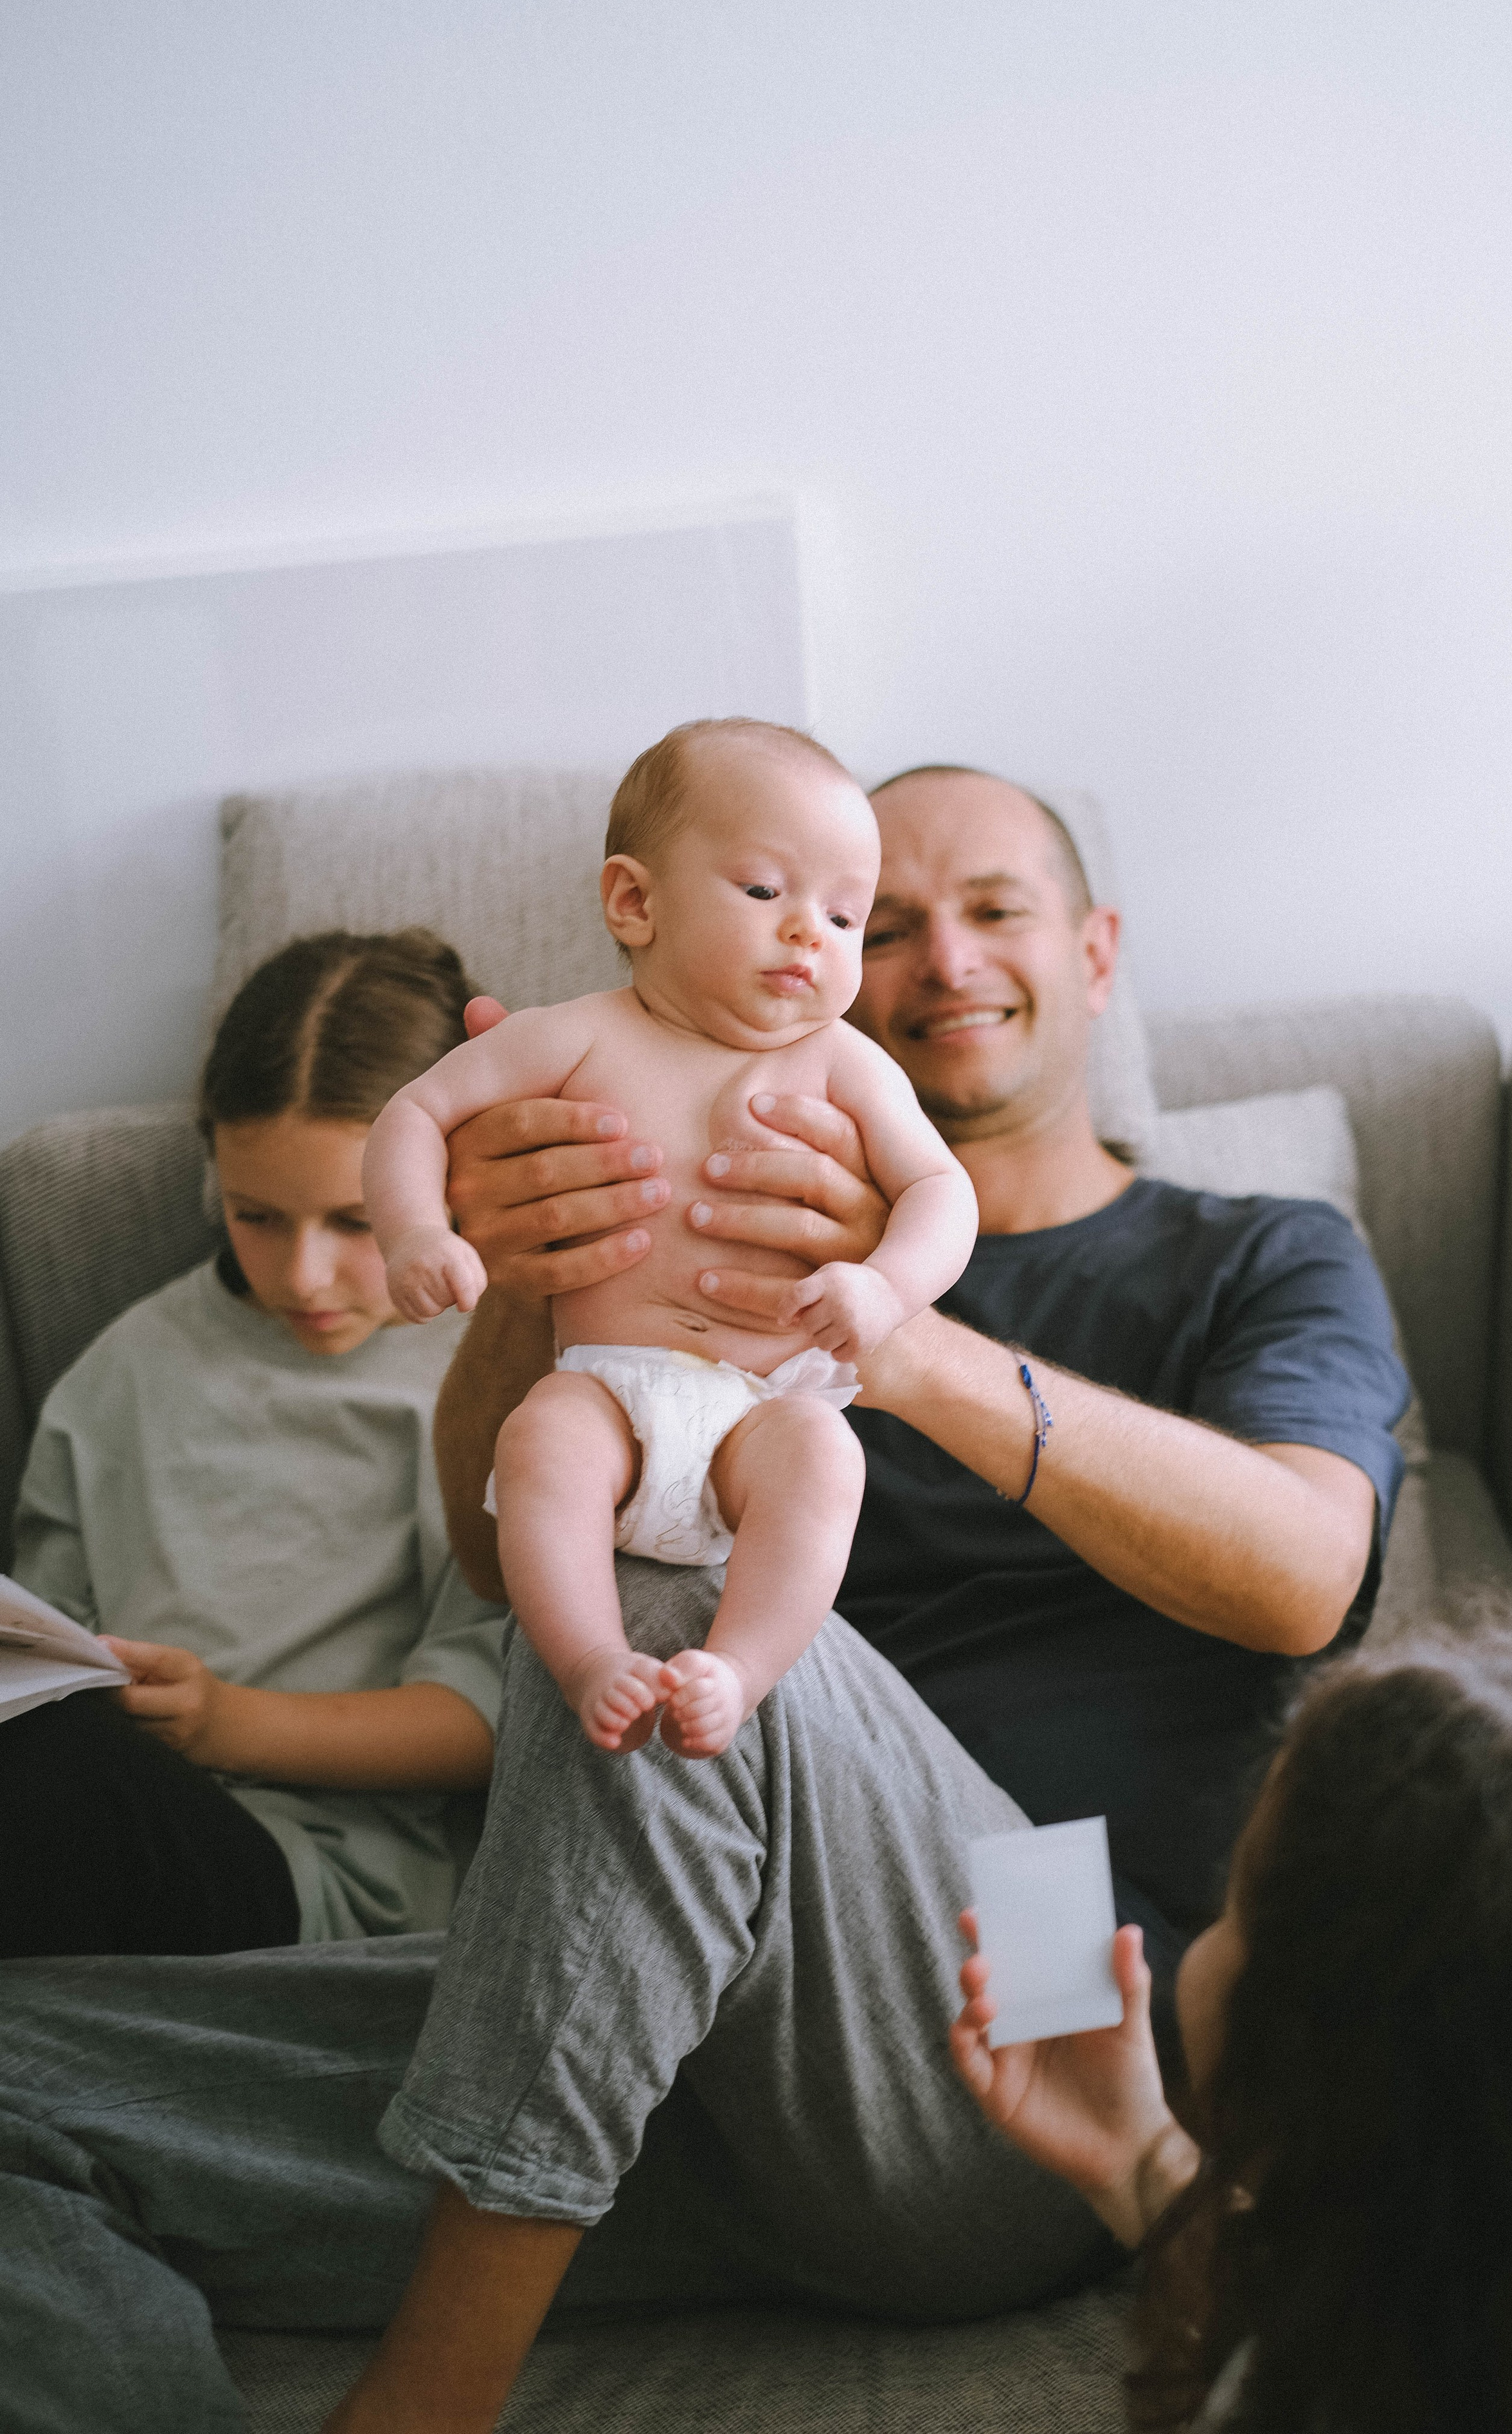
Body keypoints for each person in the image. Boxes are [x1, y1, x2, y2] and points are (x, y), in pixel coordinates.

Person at [0, 766, 1406, 2433]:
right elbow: (502, 1553)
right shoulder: (682, 1173)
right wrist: (539, 1288)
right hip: (640, 2006)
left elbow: (1303, 1578)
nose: (937, 959)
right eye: (883, 923)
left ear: (1097, 951)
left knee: (699, 1617)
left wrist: (904, 1340)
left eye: (996, 911)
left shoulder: (1256, 1255)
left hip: (1033, 2013)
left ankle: (427, 2404)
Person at [364, 720, 975, 1759]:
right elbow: (412, 1116)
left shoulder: (846, 1065)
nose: (809, 935)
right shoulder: (573, 1038)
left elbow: (940, 1189)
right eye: (765, 892)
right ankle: (592, 1659)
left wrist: (885, 1289)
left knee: (826, 1457)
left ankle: (737, 1670)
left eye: (844, 915)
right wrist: (417, 1231)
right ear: (634, 902)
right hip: (609, 1385)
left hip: (761, 1409)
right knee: (542, 1436)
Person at [950, 1619, 1512, 2433]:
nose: (1206, 1931)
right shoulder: (1456, 2330)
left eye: (1233, 1906)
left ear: (1316, 2072)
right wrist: (1137, 2155)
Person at [0, 930, 507, 1957]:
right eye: (258, 1216)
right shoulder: (126, 1366)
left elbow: (491, 1728)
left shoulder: (488, 1379)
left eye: (358, 1223)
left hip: (324, 1870)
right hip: (106, 1803)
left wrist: (225, 1725)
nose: (304, 1275)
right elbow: (43, 1645)